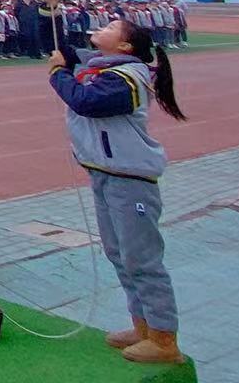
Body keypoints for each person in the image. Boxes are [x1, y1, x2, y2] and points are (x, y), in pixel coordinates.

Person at [49, 18, 187, 365]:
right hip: (103, 173)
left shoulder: (128, 77)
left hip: (130, 178)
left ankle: (164, 337)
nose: (101, 28)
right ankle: (143, 326)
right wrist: (50, 10)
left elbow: (86, 101)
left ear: (125, 46)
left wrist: (57, 75)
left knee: (142, 258)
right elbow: (61, 47)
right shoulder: (101, 66)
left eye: (111, 27)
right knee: (119, 254)